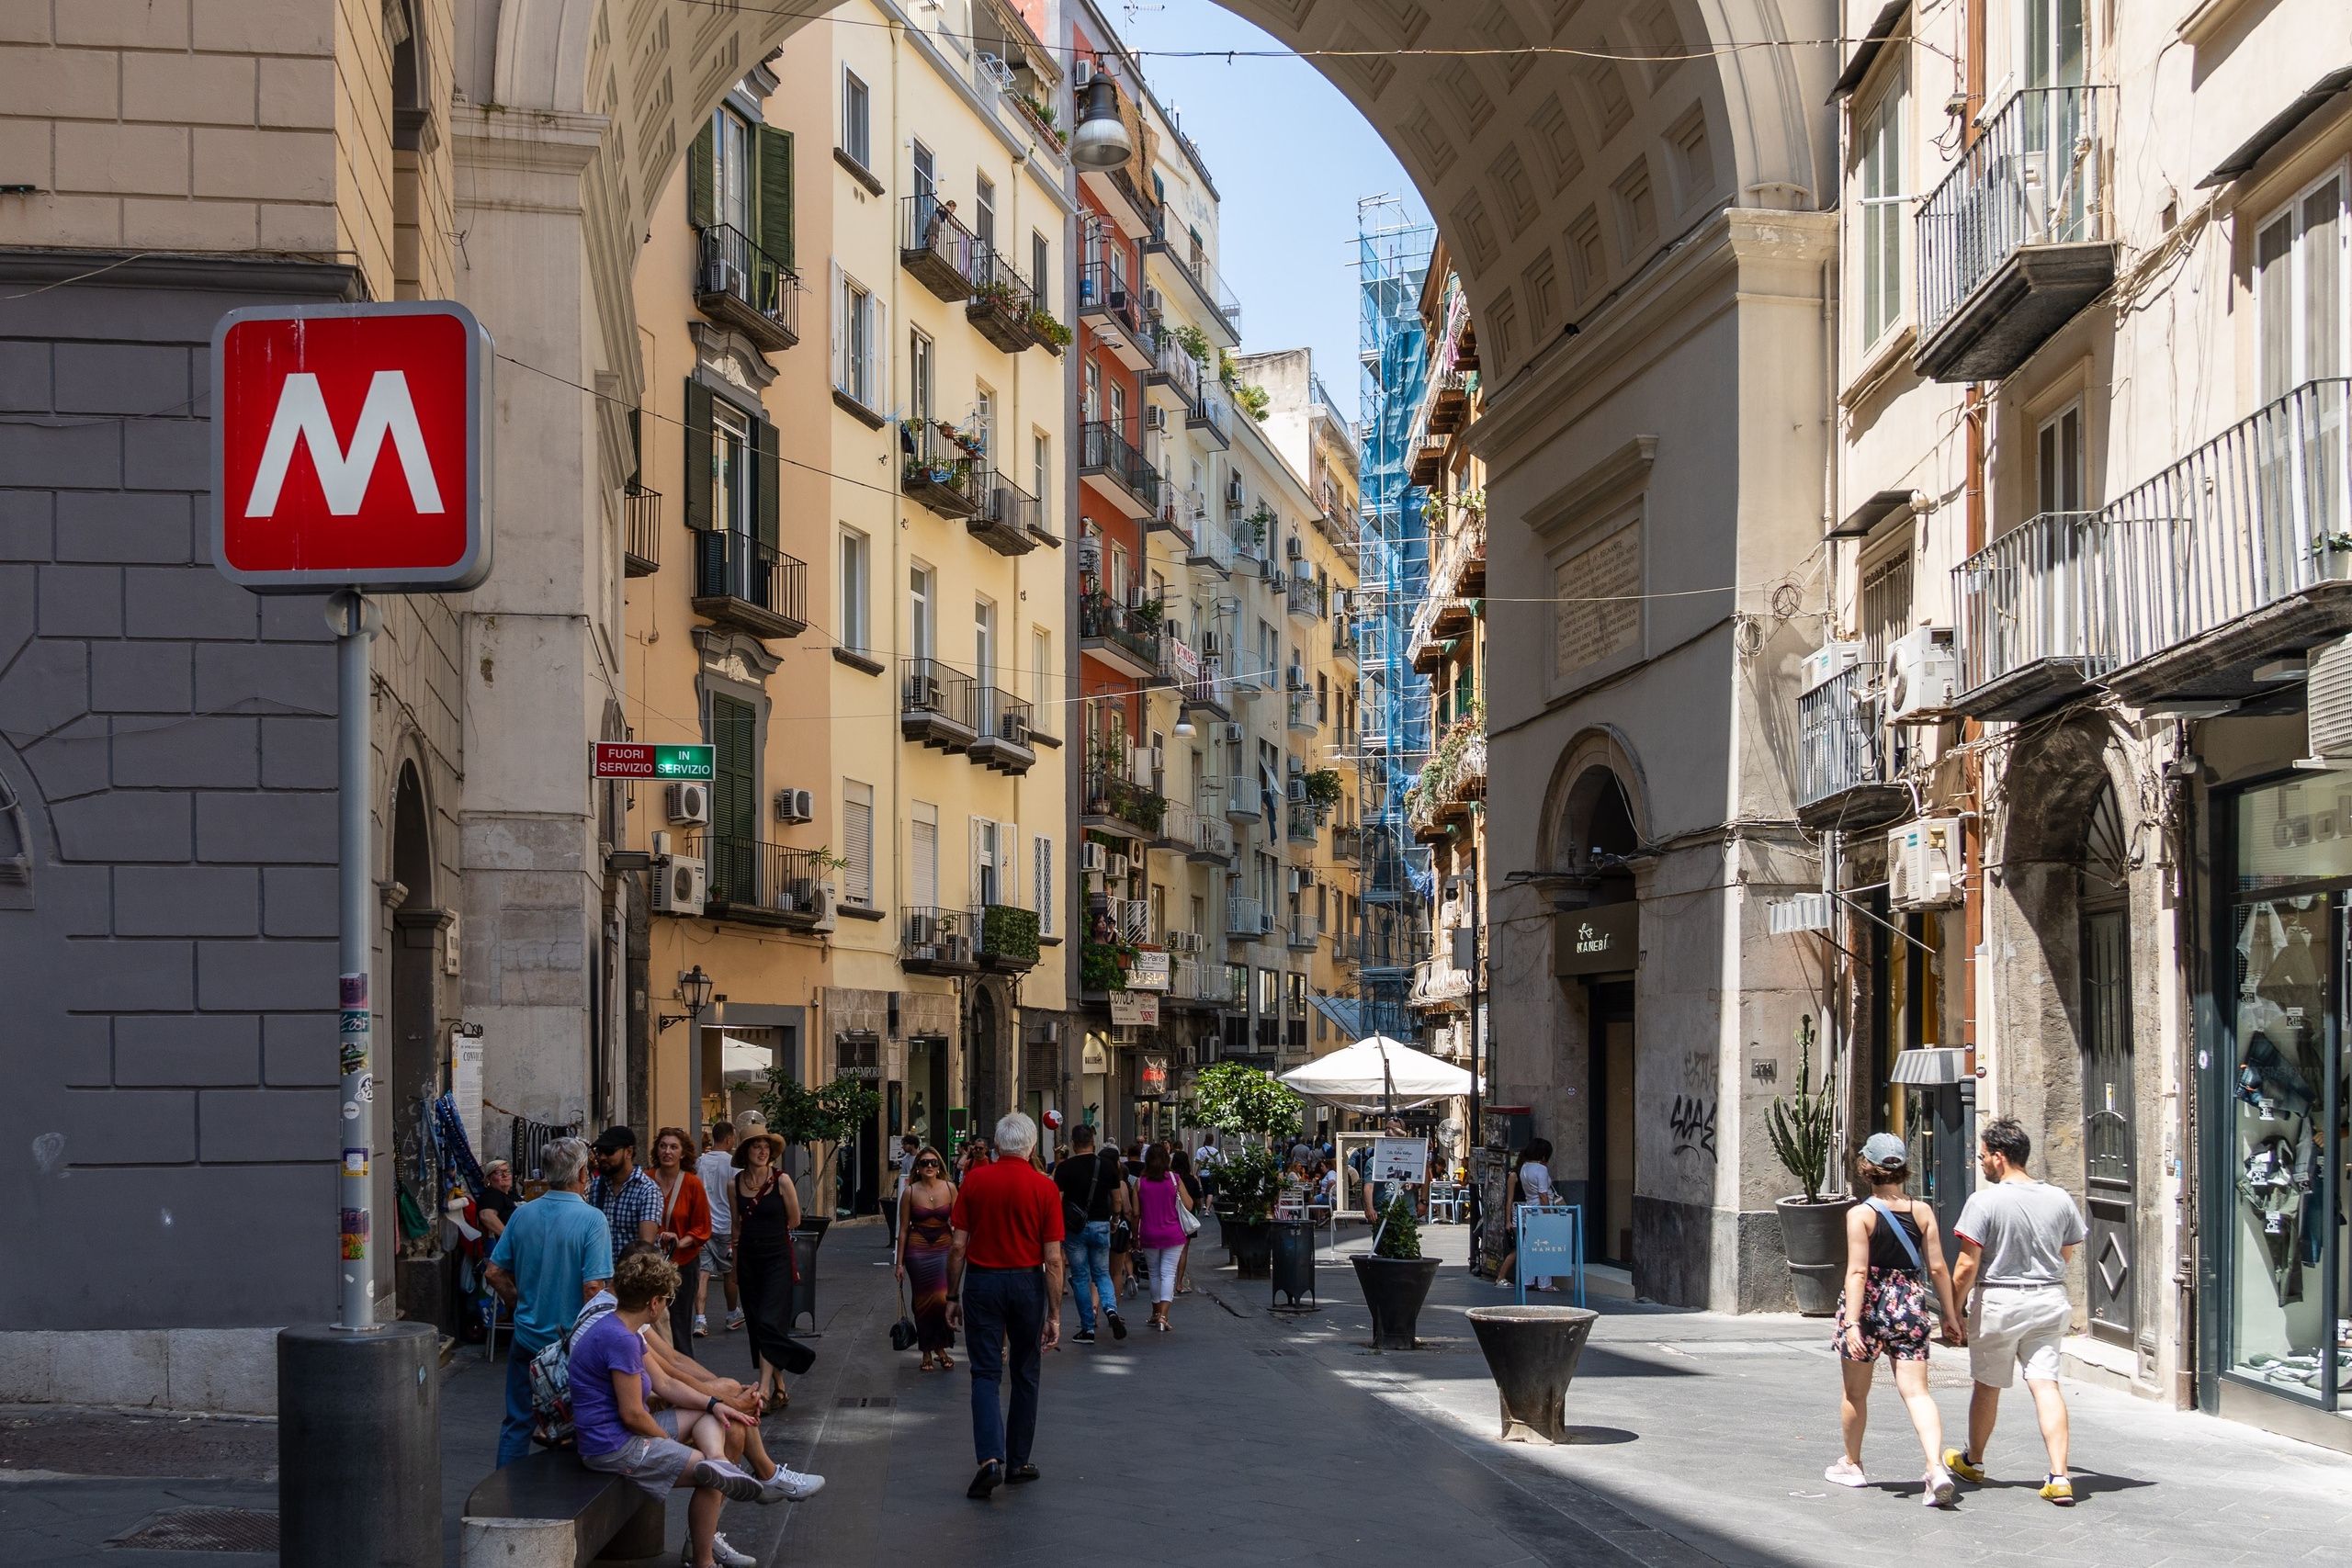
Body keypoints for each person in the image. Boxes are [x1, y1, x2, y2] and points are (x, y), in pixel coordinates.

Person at [568, 1251, 781, 1568]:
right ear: (653, 1303)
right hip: (613, 1447)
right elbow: (633, 1415)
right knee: (710, 1479)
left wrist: (716, 1405)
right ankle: (704, 1561)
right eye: (666, 1298)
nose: (667, 1304)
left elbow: (666, 1384)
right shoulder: (621, 1339)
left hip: (620, 1435)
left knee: (710, 1424)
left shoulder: (622, 1327)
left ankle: (719, 1461)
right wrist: (668, 1445)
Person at [1944, 1117, 2087, 1506]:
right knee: (2046, 1384)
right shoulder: (2059, 1198)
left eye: (1985, 1156)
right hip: (2049, 1299)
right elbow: (2067, 1252)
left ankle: (1973, 1461)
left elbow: (1966, 1265)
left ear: (2000, 1156)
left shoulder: (1984, 1201)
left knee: (1988, 1385)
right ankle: (2060, 1476)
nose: (1982, 1163)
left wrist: (1952, 1311)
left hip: (2000, 1302)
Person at [1825, 1134, 1965, 1506]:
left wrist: (1852, 1323)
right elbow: (1937, 1266)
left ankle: (1852, 1465)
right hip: (1909, 1301)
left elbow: (1857, 1272)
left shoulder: (1860, 1214)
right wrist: (1950, 1315)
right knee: (1918, 1392)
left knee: (1855, 1392)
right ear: (1902, 1168)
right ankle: (1935, 1468)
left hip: (1868, 1304)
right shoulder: (1922, 1211)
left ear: (1867, 1168)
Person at [945, 1111, 1065, 1500]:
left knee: (984, 1373)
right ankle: (1018, 1461)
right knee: (1026, 1372)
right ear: (1032, 1147)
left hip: (983, 1283)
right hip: (1028, 1283)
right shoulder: (1044, 1188)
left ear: (996, 1147)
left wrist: (951, 1294)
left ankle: (989, 1460)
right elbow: (1054, 1258)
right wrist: (1055, 1313)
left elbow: (959, 1245)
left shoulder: (975, 1181)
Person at [482, 1136, 612, 1467]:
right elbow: (592, 1289)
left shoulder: (523, 1216)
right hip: (571, 1343)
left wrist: (516, 1303)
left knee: (517, 1422)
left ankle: (503, 1496)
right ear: (583, 1173)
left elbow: (494, 1273)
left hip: (526, 1335)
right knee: (580, 1424)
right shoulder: (592, 1219)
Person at [730, 1129, 803, 1411]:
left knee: (769, 1323)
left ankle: (764, 1388)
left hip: (777, 1259)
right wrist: (735, 1265)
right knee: (758, 1323)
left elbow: (794, 1219)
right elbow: (736, 1228)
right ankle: (781, 1387)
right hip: (748, 1259)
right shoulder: (734, 1183)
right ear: (745, 1152)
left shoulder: (781, 1180)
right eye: (755, 1147)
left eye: (765, 1147)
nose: (762, 1151)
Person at [1053, 1124, 1127, 1343]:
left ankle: (1087, 1328)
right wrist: (1115, 1220)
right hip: (1101, 1225)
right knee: (1102, 1274)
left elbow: (1057, 1201)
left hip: (1075, 1230)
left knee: (1081, 1277)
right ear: (1093, 1142)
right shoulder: (1107, 1166)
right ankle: (1111, 1310)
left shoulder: (1065, 1168)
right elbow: (1117, 1200)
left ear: (1074, 1144)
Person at [895, 1145, 958, 1371]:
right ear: (918, 1168)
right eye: (924, 1163)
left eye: (933, 1162)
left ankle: (940, 1347)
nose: (929, 1166)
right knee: (922, 1300)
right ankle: (926, 1351)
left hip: (943, 1246)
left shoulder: (950, 1188)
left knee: (942, 1298)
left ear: (940, 1166)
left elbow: (958, 1223)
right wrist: (899, 1263)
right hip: (917, 1248)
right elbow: (902, 1229)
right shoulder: (910, 1192)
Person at [649, 1126, 712, 1353]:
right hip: (650, 1264)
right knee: (649, 1321)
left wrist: (679, 1241)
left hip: (683, 1264)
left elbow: (702, 1228)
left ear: (683, 1153)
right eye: (663, 1146)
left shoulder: (692, 1184)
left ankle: (685, 1371)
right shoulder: (646, 1180)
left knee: (679, 1322)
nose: (667, 1151)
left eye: (674, 1147)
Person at [1133, 1144, 1194, 1331]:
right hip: (1173, 1234)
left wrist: (1135, 1236)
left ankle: (1155, 1313)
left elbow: (1136, 1212)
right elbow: (1189, 1205)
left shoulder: (1140, 1182)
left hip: (1149, 1233)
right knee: (1168, 1273)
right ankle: (1164, 1317)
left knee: (1154, 1274)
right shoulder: (1174, 1179)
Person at [694, 1122, 742, 1337]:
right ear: (729, 1139)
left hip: (703, 1226)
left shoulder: (699, 1162)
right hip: (725, 1226)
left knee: (702, 1273)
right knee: (729, 1273)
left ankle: (700, 1320)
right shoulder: (734, 1164)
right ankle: (732, 1314)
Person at [587, 1124, 662, 1260]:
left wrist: (623, 1276)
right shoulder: (597, 1186)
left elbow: (645, 1245)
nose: (602, 1157)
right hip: (603, 1274)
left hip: (634, 1275)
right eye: (599, 1151)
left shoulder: (647, 1190)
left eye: (609, 1151)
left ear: (628, 1152)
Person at [1497, 1140, 1556, 1290]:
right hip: (1540, 1209)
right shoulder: (1541, 1169)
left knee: (1526, 1247)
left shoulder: (1524, 1168)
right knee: (1544, 1247)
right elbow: (1543, 1195)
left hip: (1528, 1208)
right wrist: (1549, 1215)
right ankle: (1545, 1283)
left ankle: (1527, 1281)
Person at [1171, 1148, 1204, 1295]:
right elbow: (1198, 1201)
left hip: (1171, 1216)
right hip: (1187, 1218)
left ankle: (1168, 1281)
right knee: (1183, 1250)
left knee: (1169, 1250)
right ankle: (1179, 1283)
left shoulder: (1170, 1179)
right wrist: (1197, 1212)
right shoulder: (1192, 1180)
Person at [886, 1134, 921, 1247]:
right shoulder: (905, 1159)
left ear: (912, 1145)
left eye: (905, 1144)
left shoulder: (921, 1157)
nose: (903, 1147)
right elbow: (904, 1175)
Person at [476, 1159, 518, 1242]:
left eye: (507, 1171)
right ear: (488, 1179)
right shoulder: (492, 1194)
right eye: (499, 1172)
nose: (505, 1175)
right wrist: (510, 1238)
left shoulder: (511, 1194)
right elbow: (486, 1216)